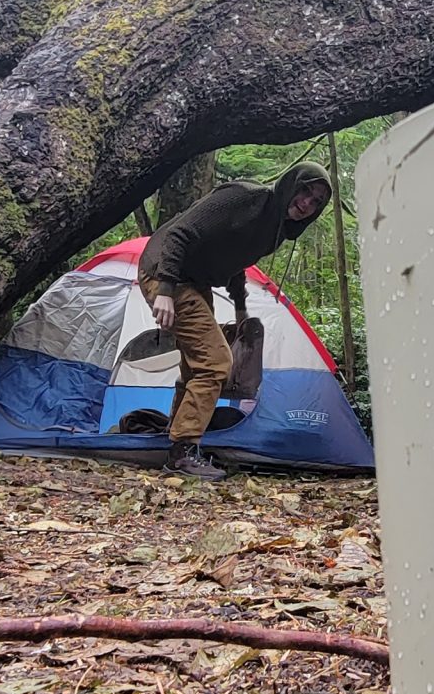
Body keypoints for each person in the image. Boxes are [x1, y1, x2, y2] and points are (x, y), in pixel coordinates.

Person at [139, 161, 334, 479]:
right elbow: (179, 233)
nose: (306, 204)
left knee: (197, 364)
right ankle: (182, 452)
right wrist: (164, 289)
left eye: (316, 202)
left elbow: (235, 260)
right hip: (165, 270)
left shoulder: (274, 231)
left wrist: (241, 308)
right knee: (216, 362)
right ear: (290, 184)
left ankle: (174, 440)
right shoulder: (245, 198)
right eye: (305, 191)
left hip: (194, 281)